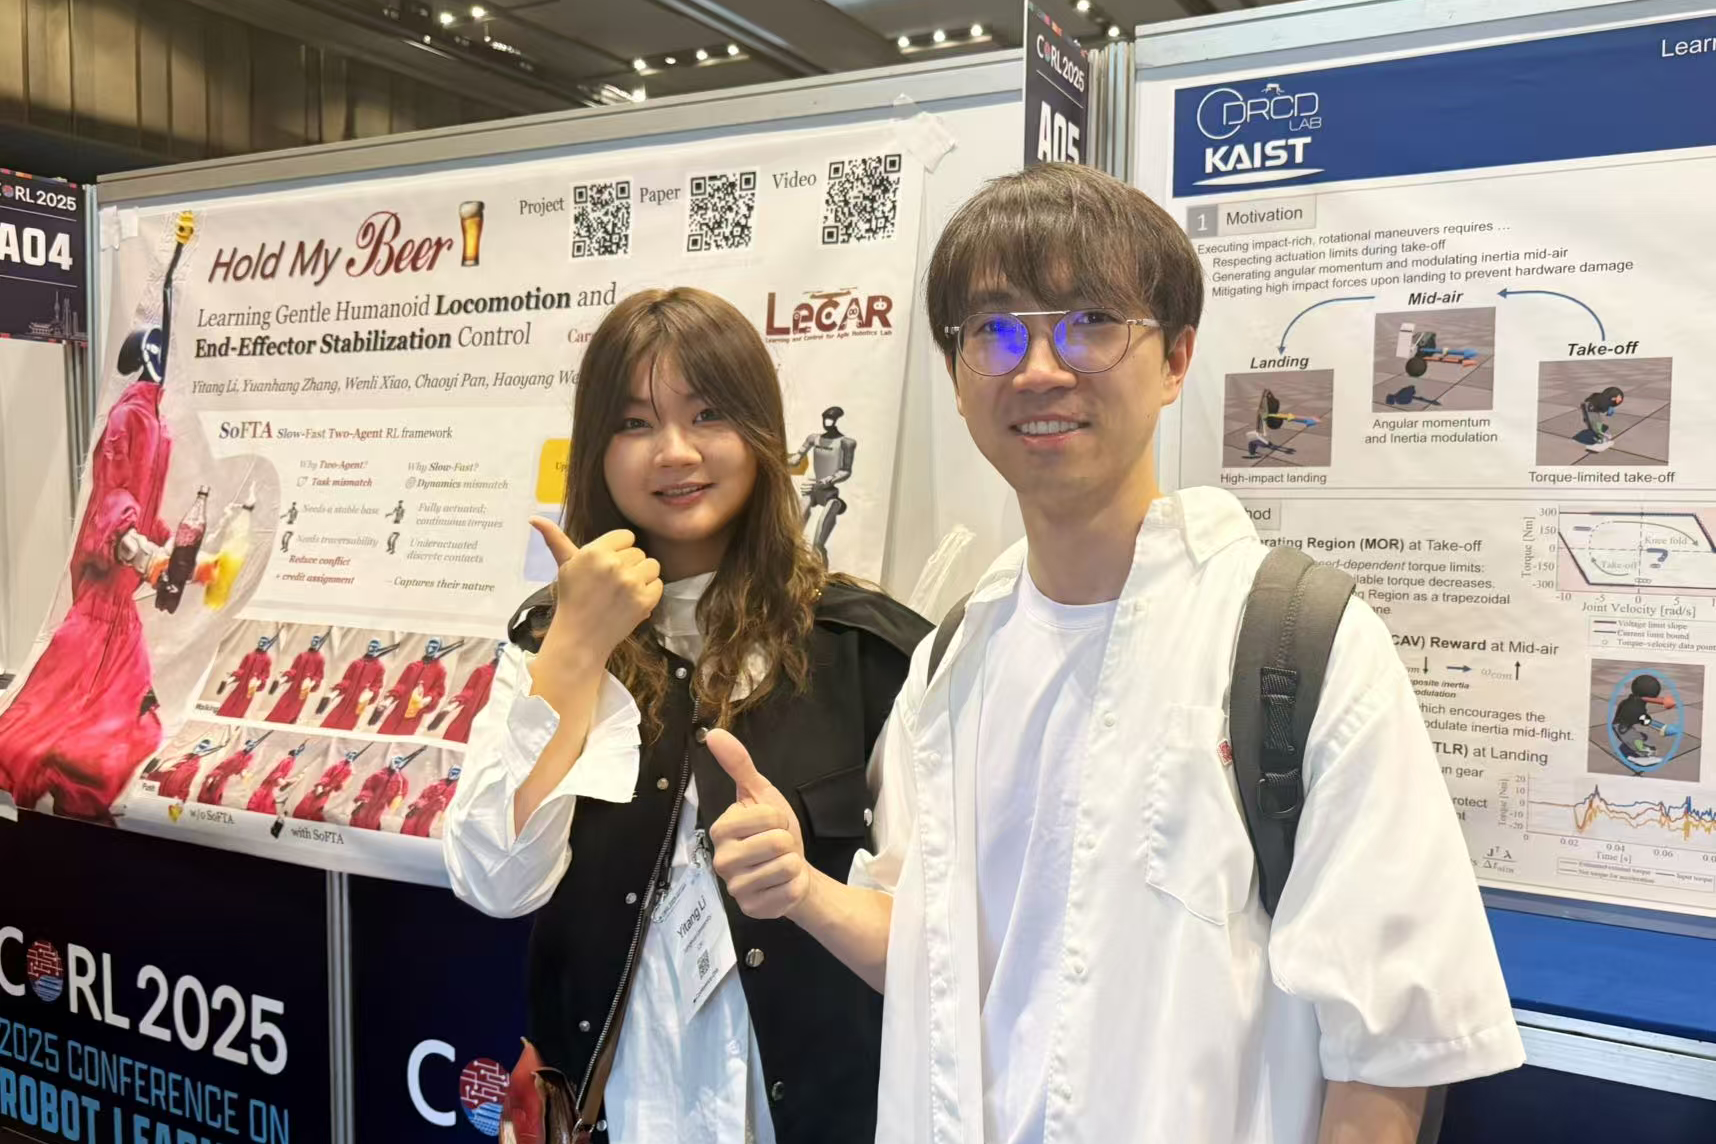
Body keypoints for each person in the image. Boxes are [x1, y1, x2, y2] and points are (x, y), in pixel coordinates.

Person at [706, 164, 1523, 1144]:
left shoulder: (1295, 644)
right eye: (995, 331)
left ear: (1175, 359)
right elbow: (932, 957)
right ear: (960, 378)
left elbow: (1390, 1049)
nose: (1038, 368)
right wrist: (803, 890)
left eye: (1090, 322)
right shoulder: (954, 659)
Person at [443, 286, 928, 1144]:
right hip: (617, 1109)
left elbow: (936, 945)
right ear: (596, 449)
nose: (674, 452)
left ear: (763, 434)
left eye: (708, 414)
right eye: (634, 423)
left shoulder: (868, 652)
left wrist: (805, 888)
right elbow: (495, 881)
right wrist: (575, 647)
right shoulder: (548, 641)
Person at [0, 212, 195, 821]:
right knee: (73, 719)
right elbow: (114, 499)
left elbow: (146, 506)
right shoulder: (130, 417)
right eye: (158, 352)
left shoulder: (157, 421)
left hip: (123, 590)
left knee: (131, 716)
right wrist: (144, 551)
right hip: (104, 585)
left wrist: (166, 551)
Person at [438, 642, 504, 744]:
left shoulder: (508, 678)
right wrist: (454, 704)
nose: (503, 653)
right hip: (468, 716)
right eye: (501, 649)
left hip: (488, 721)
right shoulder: (482, 671)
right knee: (453, 738)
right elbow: (469, 691)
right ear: (496, 651)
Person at [264, 632, 328, 724]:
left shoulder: (320, 659)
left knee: (295, 707)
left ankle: (288, 721)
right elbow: (294, 670)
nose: (315, 642)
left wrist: (312, 683)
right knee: (283, 703)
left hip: (305, 688)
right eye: (314, 640)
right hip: (294, 687)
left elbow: (319, 675)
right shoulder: (302, 655)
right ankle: (273, 719)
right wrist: (286, 676)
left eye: (317, 641)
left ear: (320, 643)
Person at [1612, 673, 1677, 761]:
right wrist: (1662, 727)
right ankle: (1639, 753)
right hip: (1621, 727)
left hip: (1623, 725)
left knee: (1641, 736)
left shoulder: (1632, 700)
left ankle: (1629, 747)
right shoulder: (1635, 706)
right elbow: (1644, 719)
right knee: (1636, 738)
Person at [215, 634, 275, 719]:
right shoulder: (250, 655)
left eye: (264, 643)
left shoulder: (267, 659)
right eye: (261, 643)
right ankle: (224, 713)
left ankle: (236, 716)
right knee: (234, 698)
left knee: (244, 701)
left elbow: (265, 674)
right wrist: (236, 675)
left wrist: (259, 681)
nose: (262, 645)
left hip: (253, 684)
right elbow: (242, 668)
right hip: (244, 681)